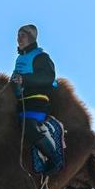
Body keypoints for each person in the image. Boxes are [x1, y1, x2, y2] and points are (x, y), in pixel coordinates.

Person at [11, 24, 60, 175]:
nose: (19, 39)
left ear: (31, 38)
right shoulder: (20, 59)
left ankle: (54, 159)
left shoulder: (41, 56)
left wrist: (24, 79)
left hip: (37, 102)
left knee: (28, 127)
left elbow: (48, 76)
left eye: (22, 35)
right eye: (18, 35)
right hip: (20, 103)